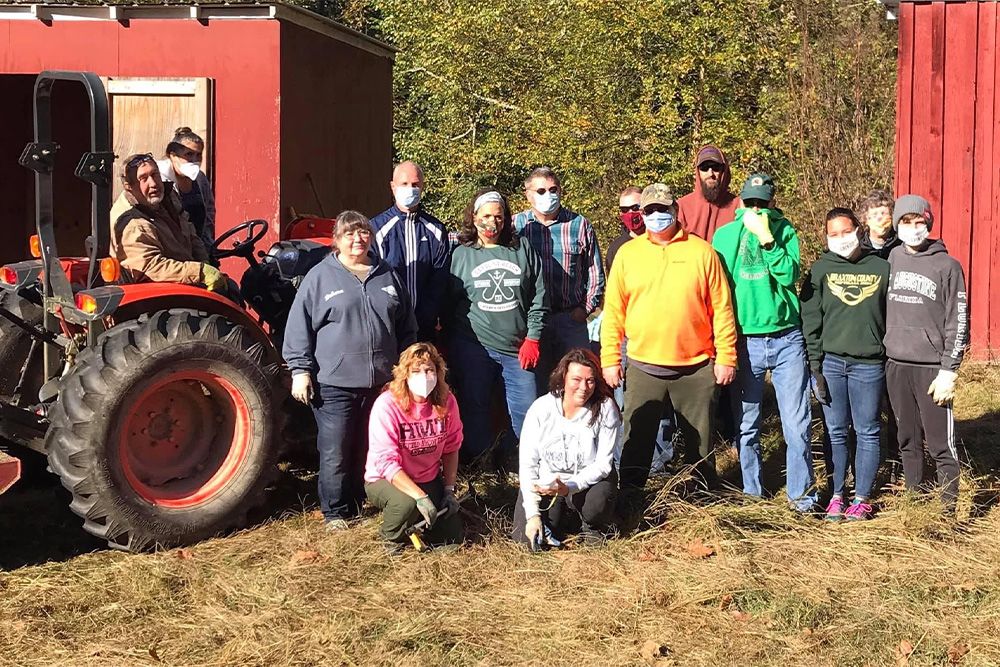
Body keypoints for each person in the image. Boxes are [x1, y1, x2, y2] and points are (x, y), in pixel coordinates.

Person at [283, 210, 418, 530]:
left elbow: (406, 327)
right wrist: (300, 370)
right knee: (336, 450)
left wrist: (406, 370)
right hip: (335, 383)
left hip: (383, 384)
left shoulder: (387, 274)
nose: (357, 240)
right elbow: (299, 325)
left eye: (363, 233)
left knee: (370, 446)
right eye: (349, 234)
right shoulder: (320, 277)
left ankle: (362, 500)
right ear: (336, 241)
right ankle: (335, 511)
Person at [602, 183, 737, 492]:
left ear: (675, 211)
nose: (656, 215)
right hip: (644, 366)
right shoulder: (628, 254)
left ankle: (701, 502)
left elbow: (722, 308)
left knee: (700, 447)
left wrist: (726, 357)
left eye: (663, 209)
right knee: (636, 441)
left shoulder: (701, 251)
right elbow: (613, 313)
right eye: (649, 210)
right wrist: (610, 360)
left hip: (696, 367)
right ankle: (630, 500)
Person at [712, 173, 817, 513]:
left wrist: (769, 240)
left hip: (786, 336)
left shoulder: (785, 231)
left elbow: (790, 275)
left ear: (772, 202)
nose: (756, 208)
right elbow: (719, 288)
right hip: (745, 338)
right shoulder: (726, 236)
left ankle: (802, 498)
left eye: (763, 202)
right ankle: (752, 493)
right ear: (741, 201)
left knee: (797, 423)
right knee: (747, 423)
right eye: (751, 202)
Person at [445, 189, 548, 465]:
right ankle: (481, 464)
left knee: (526, 408)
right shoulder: (461, 255)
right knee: (475, 407)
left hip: (517, 348)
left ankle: (523, 464)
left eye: (499, 216)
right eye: (486, 216)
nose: (492, 222)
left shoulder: (522, 249)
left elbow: (539, 295)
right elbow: (449, 302)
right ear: (474, 217)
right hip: (474, 346)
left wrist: (534, 337)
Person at [800, 208, 890, 521]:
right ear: (826, 238)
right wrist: (815, 366)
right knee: (835, 430)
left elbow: (892, 317)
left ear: (858, 230)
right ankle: (837, 494)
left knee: (867, 430)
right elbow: (811, 320)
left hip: (869, 365)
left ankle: (862, 497)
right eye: (833, 234)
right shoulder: (821, 269)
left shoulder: (881, 268)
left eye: (845, 231)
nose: (840, 239)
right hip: (832, 364)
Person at [884, 195, 968, 509]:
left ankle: (947, 510)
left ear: (928, 223)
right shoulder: (892, 258)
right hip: (896, 365)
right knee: (907, 440)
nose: (913, 227)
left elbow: (958, 320)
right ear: (898, 225)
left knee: (940, 444)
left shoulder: (947, 265)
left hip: (932, 369)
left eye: (919, 221)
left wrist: (949, 369)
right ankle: (915, 503)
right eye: (906, 221)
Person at [598, 185, 674, 471]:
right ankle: (627, 463)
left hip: (663, 337)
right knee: (626, 403)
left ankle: (661, 462)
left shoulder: (668, 244)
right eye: (625, 209)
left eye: (636, 208)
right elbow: (615, 301)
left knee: (663, 405)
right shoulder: (618, 249)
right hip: (628, 337)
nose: (632, 215)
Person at [512, 348, 621, 548]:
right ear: (563, 378)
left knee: (597, 503)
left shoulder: (605, 408)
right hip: (548, 483)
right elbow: (528, 464)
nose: (584, 387)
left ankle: (592, 524)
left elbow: (604, 464)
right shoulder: (541, 409)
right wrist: (533, 515)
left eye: (590, 380)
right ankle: (559, 517)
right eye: (576, 380)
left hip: (586, 483)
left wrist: (569, 487)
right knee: (524, 541)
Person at [364, 342, 463, 553]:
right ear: (404, 375)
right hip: (386, 479)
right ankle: (390, 538)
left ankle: (416, 523)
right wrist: (420, 496)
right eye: (416, 371)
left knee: (452, 537)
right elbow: (385, 462)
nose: (424, 376)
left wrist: (449, 489)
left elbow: (452, 447)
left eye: (429, 370)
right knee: (405, 504)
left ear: (438, 372)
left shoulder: (447, 402)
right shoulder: (387, 404)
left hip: (427, 477)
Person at [514, 167, 604, 394]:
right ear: (528, 194)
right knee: (535, 388)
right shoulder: (517, 226)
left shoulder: (579, 224)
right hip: (532, 324)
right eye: (541, 190)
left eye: (553, 189)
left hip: (569, 320)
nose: (548, 195)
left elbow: (595, 272)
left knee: (578, 384)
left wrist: (584, 310)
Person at [110, 153, 225, 292]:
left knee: (230, 288)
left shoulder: (168, 196)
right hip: (159, 289)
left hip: (185, 274)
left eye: (155, 174)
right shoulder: (133, 223)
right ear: (129, 186)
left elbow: (189, 231)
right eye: (143, 178)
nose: (153, 183)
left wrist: (204, 261)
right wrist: (199, 272)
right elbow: (151, 267)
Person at [370, 161, 451, 342]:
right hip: (387, 327)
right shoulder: (376, 228)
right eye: (404, 184)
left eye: (415, 185)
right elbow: (372, 277)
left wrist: (426, 316)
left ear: (422, 187)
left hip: (424, 329)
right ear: (393, 187)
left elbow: (439, 279)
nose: (410, 189)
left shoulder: (436, 229)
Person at [155, 127, 216, 252]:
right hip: (169, 249)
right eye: (188, 154)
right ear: (172, 156)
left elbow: (209, 213)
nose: (194, 160)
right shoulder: (159, 179)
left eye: (198, 155)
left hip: (197, 247)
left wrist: (207, 247)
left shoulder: (200, 179)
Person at [677, 145, 740, 242]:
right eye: (704, 168)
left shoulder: (738, 206)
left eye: (715, 168)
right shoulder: (682, 207)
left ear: (724, 171)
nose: (710, 174)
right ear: (697, 171)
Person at [606, 186, 645, 270]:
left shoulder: (661, 240)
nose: (630, 213)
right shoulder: (616, 248)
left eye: (635, 208)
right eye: (624, 209)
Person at [857, 189, 899, 259]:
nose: (879, 218)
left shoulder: (900, 245)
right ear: (865, 219)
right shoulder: (859, 249)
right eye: (874, 215)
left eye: (884, 213)